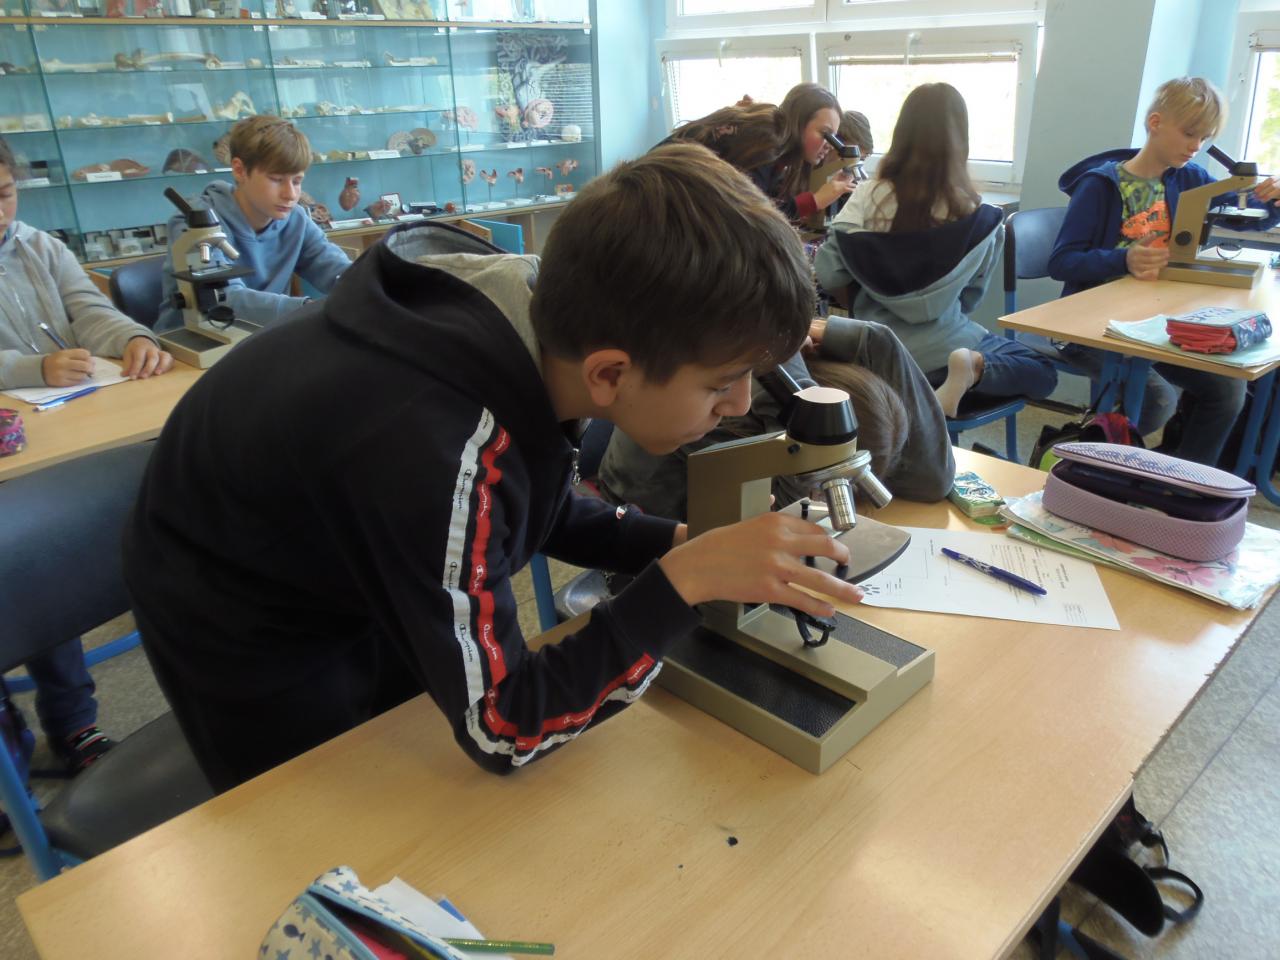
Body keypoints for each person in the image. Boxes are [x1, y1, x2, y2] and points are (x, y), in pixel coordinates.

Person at [122, 144, 865, 793]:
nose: (740, 405)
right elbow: (505, 726)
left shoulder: (545, 325)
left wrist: (682, 545)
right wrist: (683, 583)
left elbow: (534, 499)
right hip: (242, 606)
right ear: (610, 375)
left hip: (350, 537)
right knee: (335, 818)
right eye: (721, 383)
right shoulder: (435, 443)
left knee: (421, 749)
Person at [0, 135, 173, 773]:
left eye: (5, 194)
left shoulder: (40, 246)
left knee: (52, 565)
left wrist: (131, 338)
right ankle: (24, 750)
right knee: (25, 570)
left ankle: (74, 726)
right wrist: (33, 367)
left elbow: (90, 311)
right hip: (12, 452)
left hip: (59, 432)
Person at [1048, 76, 1280, 465]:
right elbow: (1062, 262)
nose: (1196, 146)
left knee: (1227, 392)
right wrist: (1123, 260)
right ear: (1155, 123)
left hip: (1156, 323)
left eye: (1204, 137)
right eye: (1189, 133)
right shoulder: (1100, 186)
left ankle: (1180, 479)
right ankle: (1099, 465)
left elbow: (1242, 217)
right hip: (1091, 328)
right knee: (1157, 401)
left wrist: (1272, 203)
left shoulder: (1190, 178)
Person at [815, 83, 1058, 417]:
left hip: (874, 353)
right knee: (1042, 370)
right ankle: (973, 369)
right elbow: (971, 298)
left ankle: (927, 389)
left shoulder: (865, 196)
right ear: (961, 141)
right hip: (945, 351)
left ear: (900, 136)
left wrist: (866, 299)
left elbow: (829, 273)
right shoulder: (976, 212)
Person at [598, 314, 956, 521]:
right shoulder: (715, 418)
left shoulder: (775, 396)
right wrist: (799, 395)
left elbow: (932, 481)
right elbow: (783, 515)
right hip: (646, 549)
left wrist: (874, 340)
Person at [157, 114, 350, 332]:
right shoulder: (194, 222)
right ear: (239, 170)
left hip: (265, 337)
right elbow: (223, 298)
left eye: (297, 181)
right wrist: (306, 310)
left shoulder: (296, 219)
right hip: (192, 343)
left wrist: (368, 284)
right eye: (276, 179)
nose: (290, 194)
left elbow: (337, 270)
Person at [667, 86, 856, 221]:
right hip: (665, 198)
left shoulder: (777, 152)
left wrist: (817, 199)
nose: (831, 145)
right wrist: (817, 200)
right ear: (799, 123)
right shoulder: (766, 140)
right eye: (825, 134)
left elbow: (768, 204)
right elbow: (755, 215)